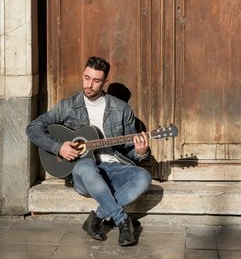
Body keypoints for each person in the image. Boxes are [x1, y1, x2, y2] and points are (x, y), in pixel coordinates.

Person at [26, 56, 151, 246]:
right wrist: (59, 147)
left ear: (105, 82)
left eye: (96, 80)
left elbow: (129, 150)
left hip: (113, 169)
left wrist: (140, 152)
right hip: (84, 174)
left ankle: (97, 218)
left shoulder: (121, 109)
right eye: (86, 78)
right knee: (86, 167)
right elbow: (33, 128)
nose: (89, 85)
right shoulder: (68, 106)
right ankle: (122, 221)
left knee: (143, 178)